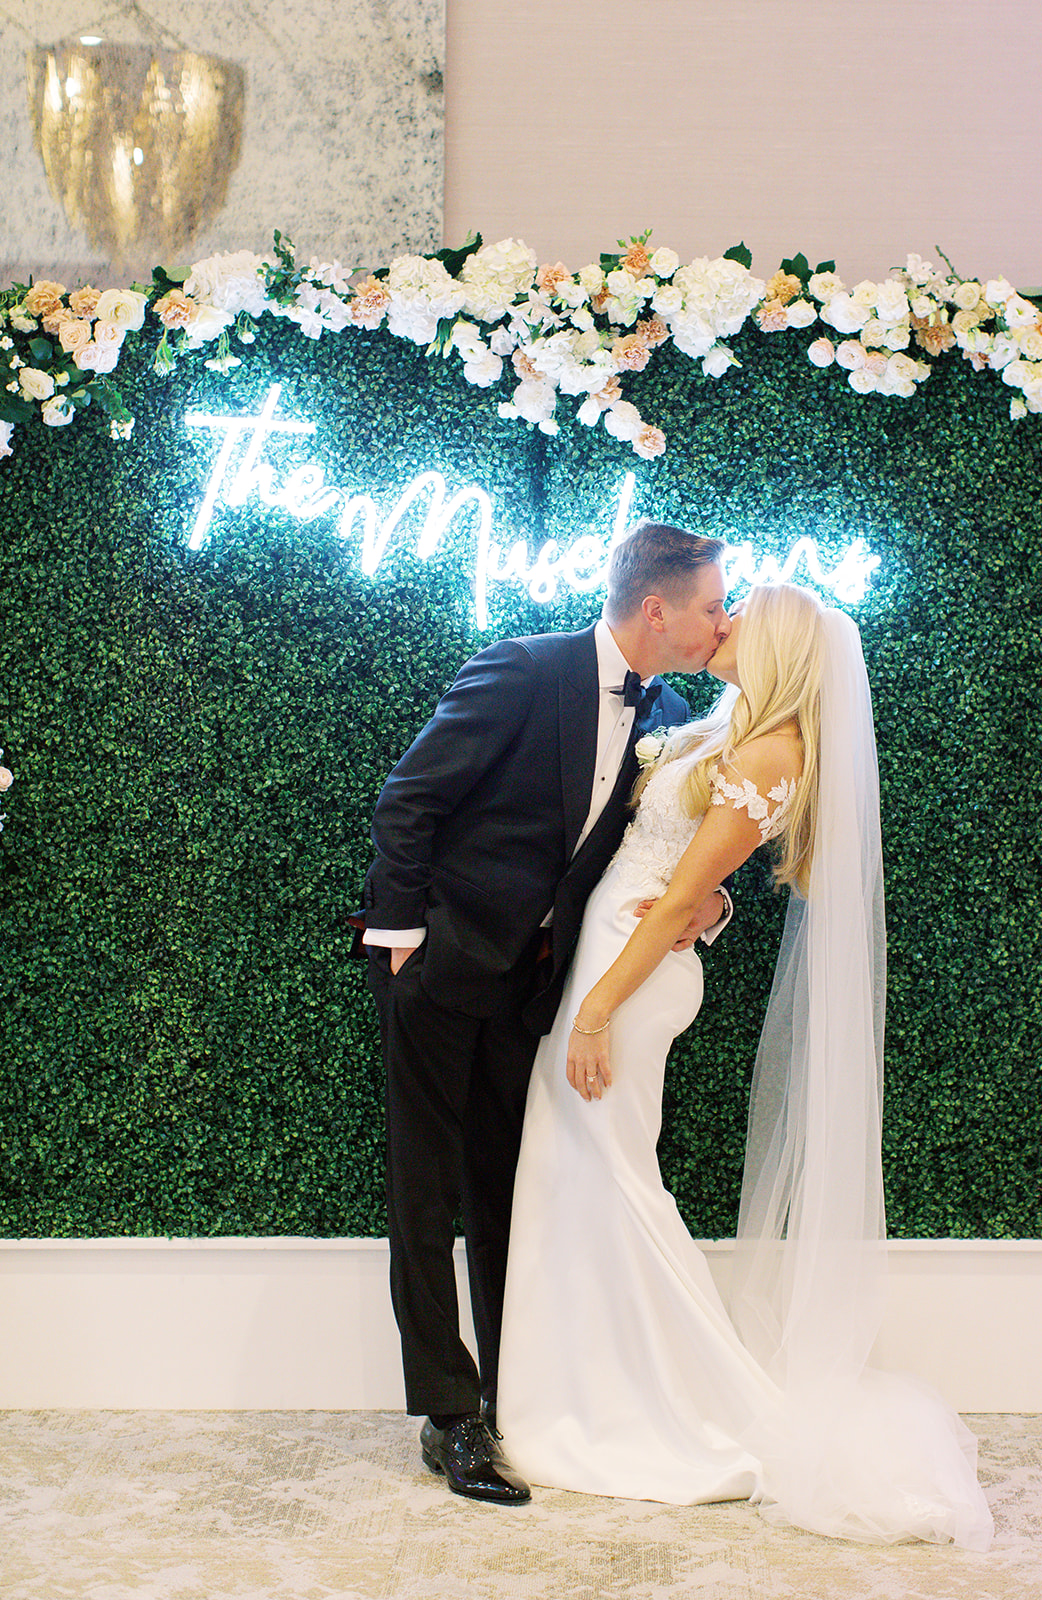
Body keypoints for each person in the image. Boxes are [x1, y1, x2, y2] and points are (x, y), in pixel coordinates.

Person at [497, 583, 994, 1549]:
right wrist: (675, 932)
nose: (719, 626)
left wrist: (598, 1009)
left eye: (738, 621)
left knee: (609, 1176)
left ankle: (678, 1405)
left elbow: (691, 889)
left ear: (774, 651)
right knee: (577, 1172)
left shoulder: (773, 749)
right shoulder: (729, 725)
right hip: (618, 962)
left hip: (627, 986)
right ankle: (586, 1388)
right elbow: (684, 886)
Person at [351, 520, 733, 1505]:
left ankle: (519, 1393)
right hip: (438, 974)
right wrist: (401, 942)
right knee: (423, 1195)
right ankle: (449, 1417)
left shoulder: (677, 711)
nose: (716, 621)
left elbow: (671, 849)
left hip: (539, 993)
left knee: (506, 1192)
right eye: (706, 605)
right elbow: (408, 799)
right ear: (655, 608)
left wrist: (710, 901)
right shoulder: (521, 669)